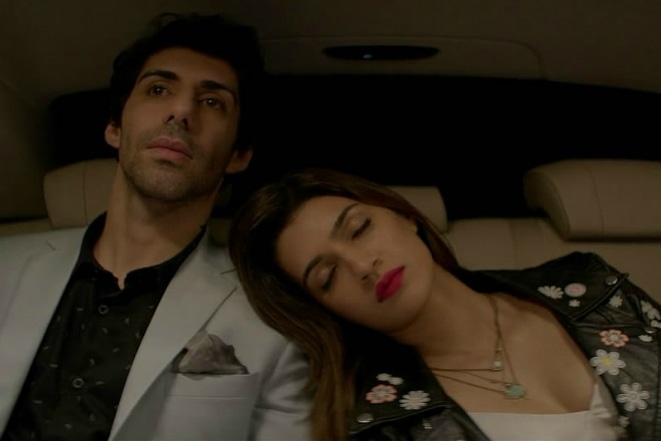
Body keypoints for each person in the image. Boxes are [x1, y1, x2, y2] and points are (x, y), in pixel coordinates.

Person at [0, 12, 310, 441]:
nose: (180, 111)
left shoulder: (272, 319)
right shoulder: (5, 265)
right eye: (158, 89)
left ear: (238, 155)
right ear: (114, 127)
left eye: (212, 102)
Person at [228, 167, 659, 441]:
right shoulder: (382, 426)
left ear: (405, 215)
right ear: (325, 310)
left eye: (359, 229)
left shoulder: (590, 285)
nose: (361, 266)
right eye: (327, 276)